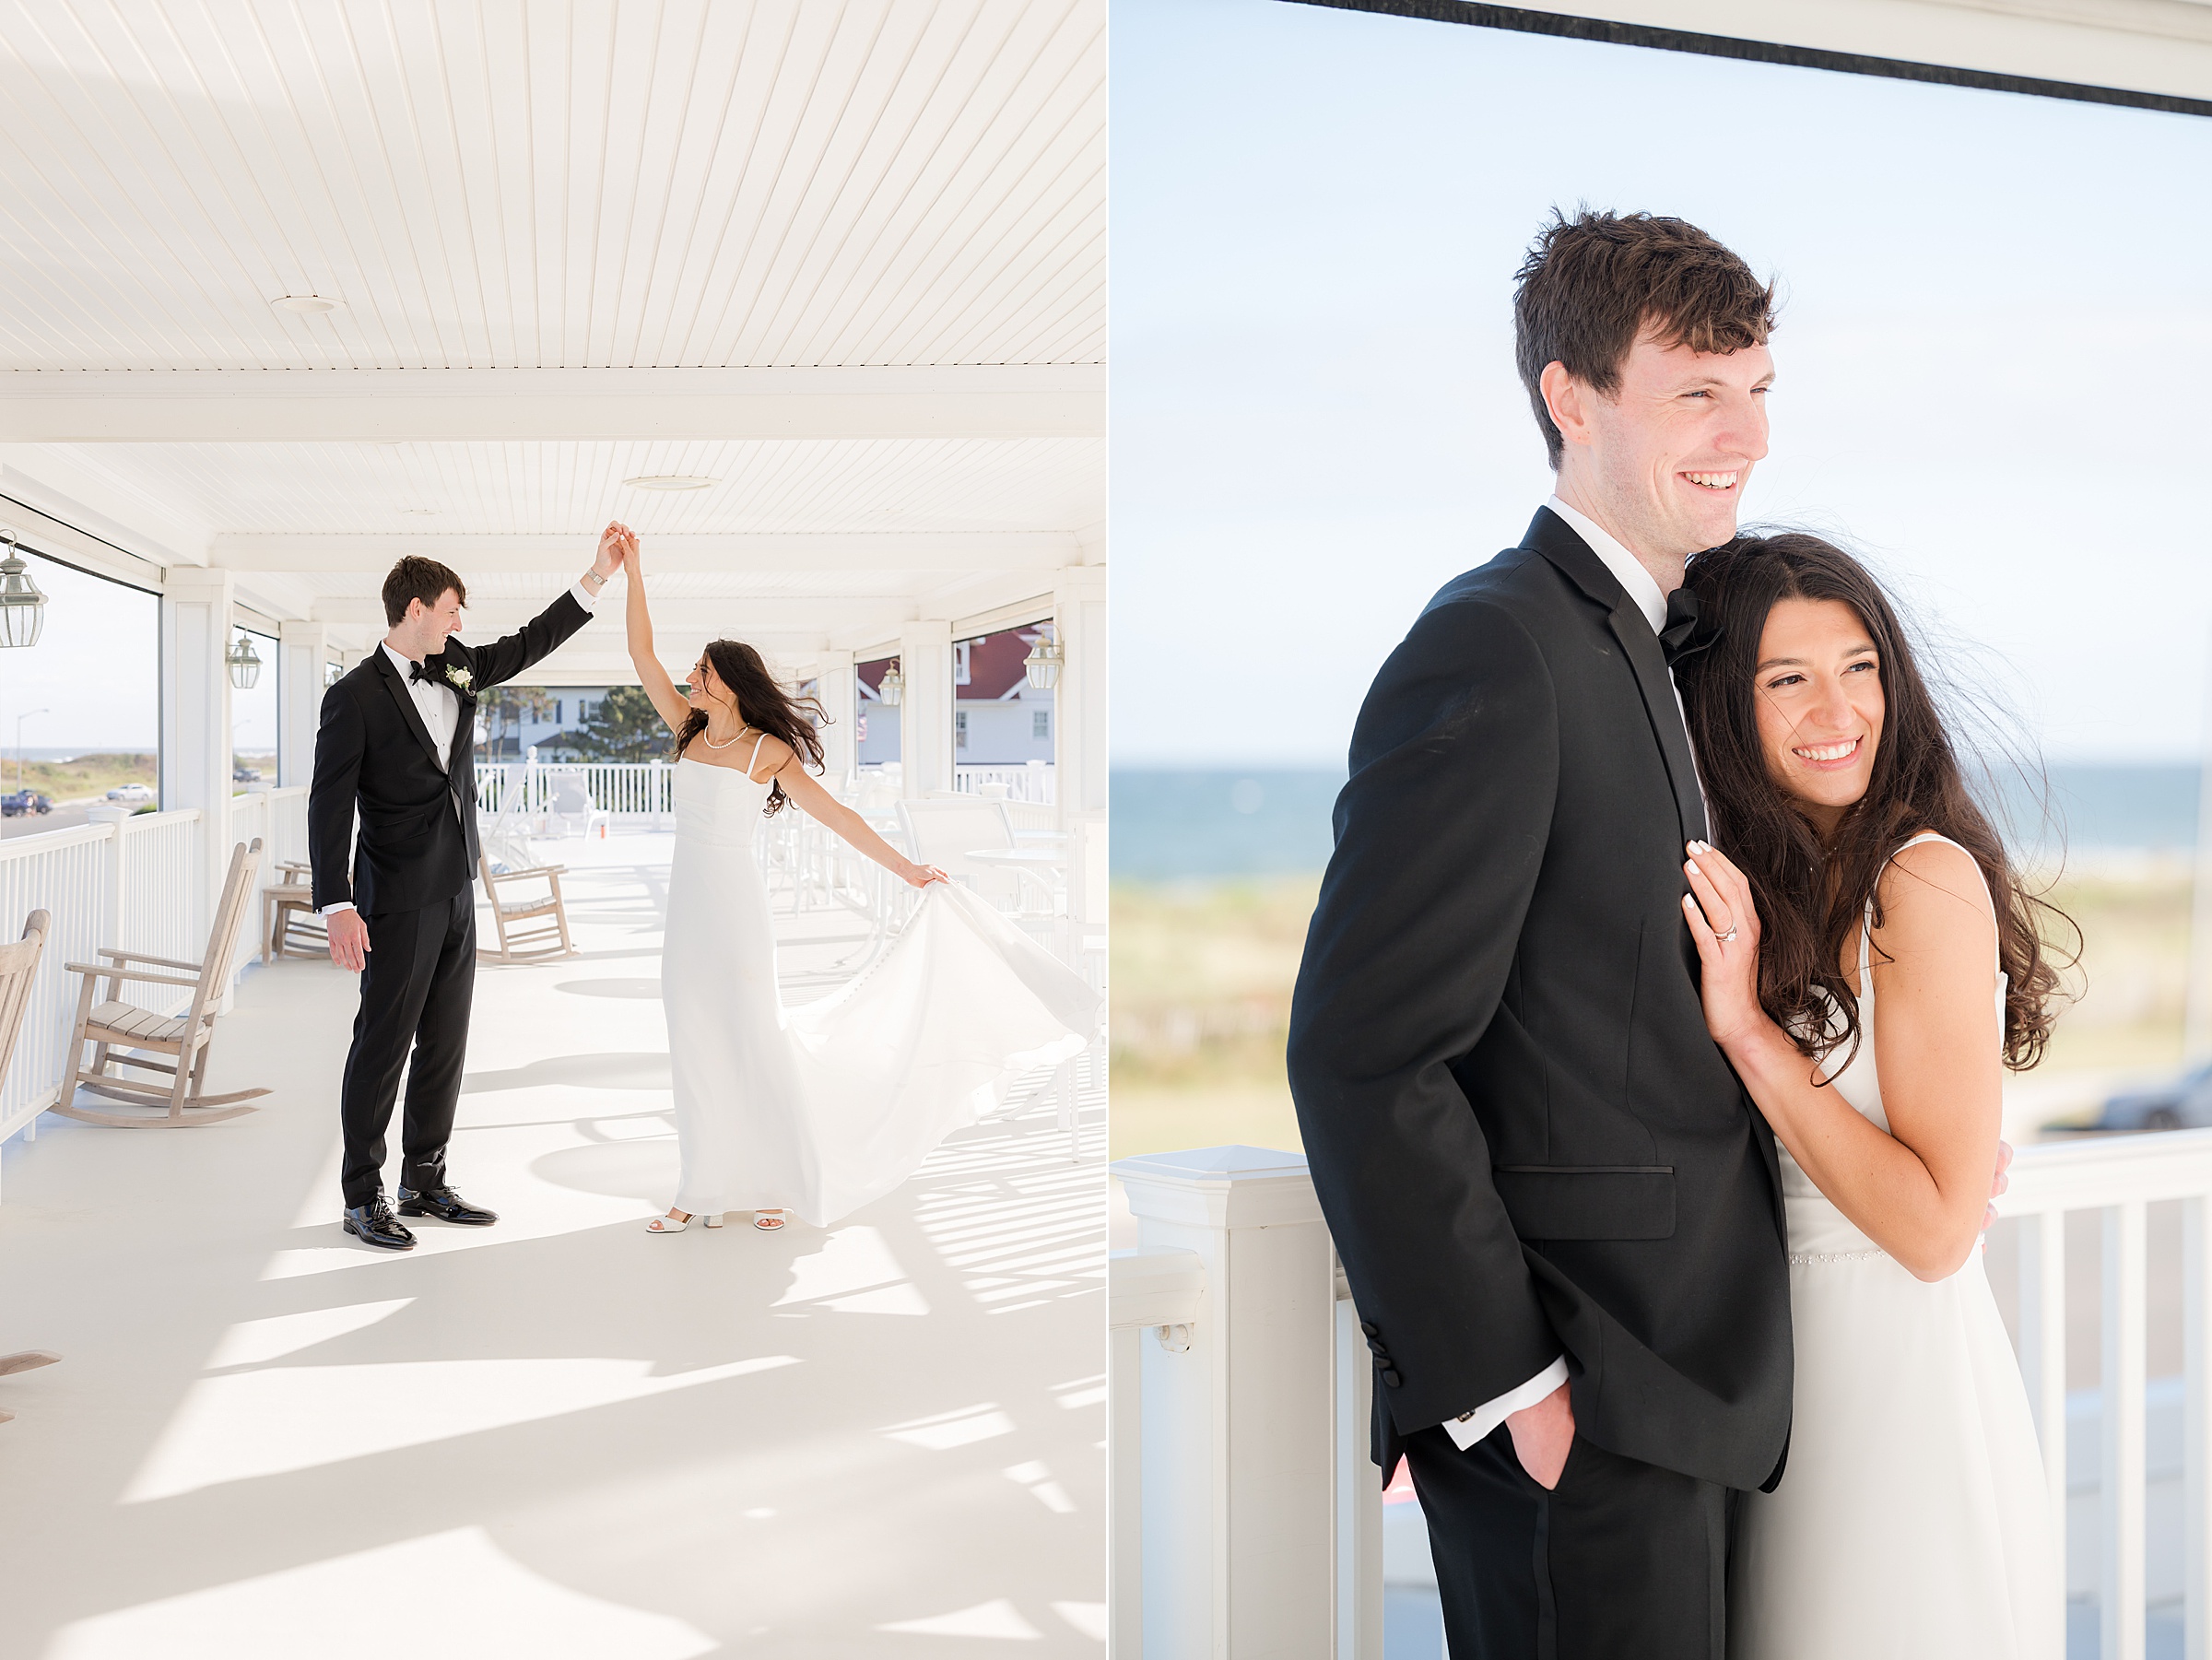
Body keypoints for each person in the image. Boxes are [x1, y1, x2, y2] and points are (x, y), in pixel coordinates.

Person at [1286, 209, 1795, 1658]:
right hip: (1584, 1404)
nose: (1746, 433)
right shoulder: (1497, 641)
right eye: (1698, 389)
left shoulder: (1643, 638)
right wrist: (1514, 1390)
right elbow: (1364, 1049)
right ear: (1571, 399)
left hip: (1679, 1388)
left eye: (1759, 388)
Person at [1674, 533, 2063, 1657]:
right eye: (1786, 679)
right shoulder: (1763, 887)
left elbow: (1937, 1230)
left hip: (1900, 1398)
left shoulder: (1920, 878)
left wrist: (1749, 1032)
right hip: (1776, 1395)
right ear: (1721, 708)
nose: (1835, 708)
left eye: (1859, 667)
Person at [613, 526, 1098, 1233]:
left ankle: (776, 1177)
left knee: (753, 1039)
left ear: (730, 681)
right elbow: (639, 652)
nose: (692, 674)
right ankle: (700, 1184)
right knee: (692, 1039)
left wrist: (906, 868)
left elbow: (837, 817)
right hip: (686, 914)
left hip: (737, 913)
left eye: (705, 669)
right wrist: (634, 575)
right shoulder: (688, 727)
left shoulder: (767, 750)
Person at [309, 533, 621, 1250]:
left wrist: (596, 579)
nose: (459, 623)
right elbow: (328, 806)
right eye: (451, 610)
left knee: (446, 1043)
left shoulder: (456, 668)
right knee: (381, 1047)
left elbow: (530, 643)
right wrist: (337, 904)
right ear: (415, 608)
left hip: (456, 887)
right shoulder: (352, 697)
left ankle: (425, 1178)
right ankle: (363, 1196)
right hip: (393, 898)